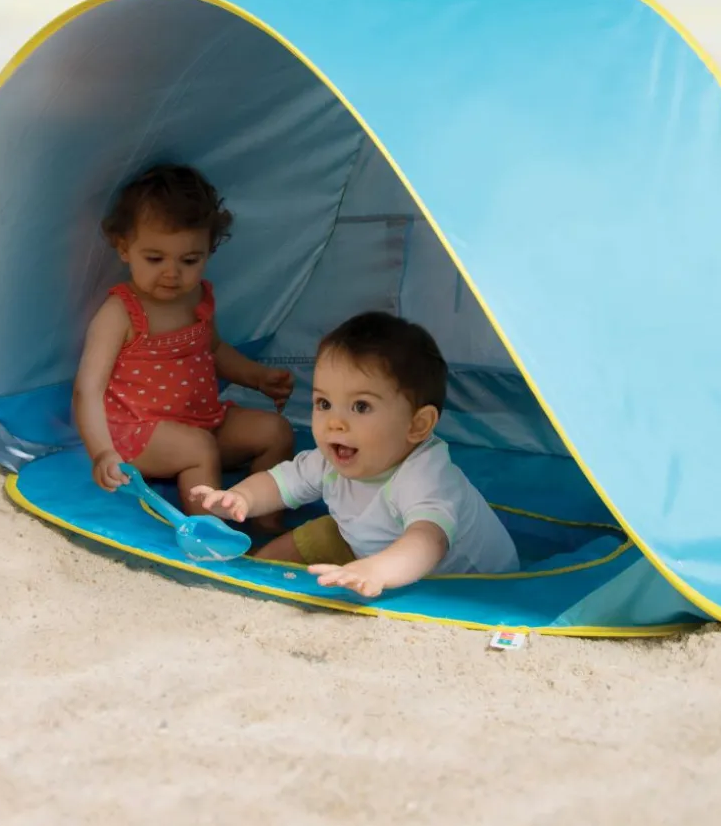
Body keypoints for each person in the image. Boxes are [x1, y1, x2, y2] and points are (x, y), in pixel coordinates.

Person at [191, 312, 519, 597]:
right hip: (364, 539)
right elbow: (280, 482)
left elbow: (427, 542)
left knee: (380, 567)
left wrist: (376, 571)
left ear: (417, 425)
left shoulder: (425, 476)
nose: (335, 422)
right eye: (323, 403)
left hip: (451, 576)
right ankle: (253, 576)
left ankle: (370, 567)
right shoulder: (331, 458)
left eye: (361, 406)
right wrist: (241, 498)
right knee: (298, 544)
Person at [73, 164, 294, 517]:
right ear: (124, 248)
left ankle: (267, 521)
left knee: (276, 432)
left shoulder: (198, 297)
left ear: (209, 251)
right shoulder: (121, 312)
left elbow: (214, 350)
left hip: (203, 421)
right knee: (198, 449)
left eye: (190, 260)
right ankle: (209, 531)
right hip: (136, 435)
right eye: (155, 258)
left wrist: (258, 378)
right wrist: (101, 452)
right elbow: (88, 390)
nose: (172, 273)